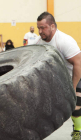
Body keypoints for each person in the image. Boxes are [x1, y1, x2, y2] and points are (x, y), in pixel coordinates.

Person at [33, 12, 81, 140]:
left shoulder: (64, 41)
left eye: (43, 27)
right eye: (38, 28)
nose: (40, 31)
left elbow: (78, 63)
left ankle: (77, 131)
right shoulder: (38, 43)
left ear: (52, 26)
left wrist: (73, 87)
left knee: (75, 106)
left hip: (75, 74)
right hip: (56, 78)